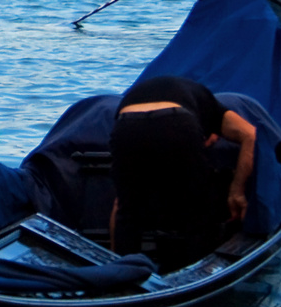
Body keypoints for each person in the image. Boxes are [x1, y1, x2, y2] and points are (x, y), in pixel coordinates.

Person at [109, 75, 256, 269]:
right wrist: (236, 191)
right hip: (177, 121)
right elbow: (251, 135)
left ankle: (115, 266)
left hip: (126, 123)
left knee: (125, 206)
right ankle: (197, 268)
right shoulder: (213, 107)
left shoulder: (169, 91)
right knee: (196, 205)